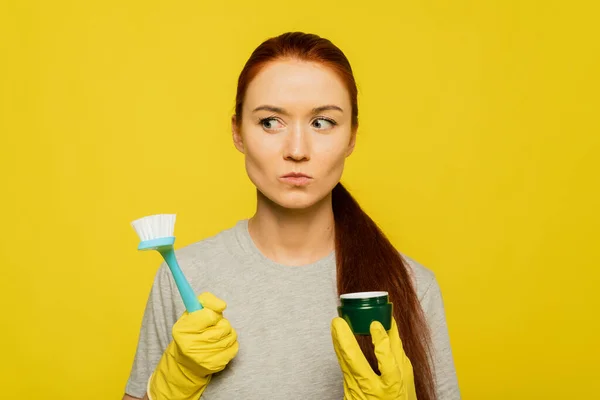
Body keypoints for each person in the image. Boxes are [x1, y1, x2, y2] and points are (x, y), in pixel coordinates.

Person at [123, 31, 460, 400]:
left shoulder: (411, 287)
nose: (297, 150)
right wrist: (169, 388)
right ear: (237, 132)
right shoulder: (183, 276)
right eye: (270, 122)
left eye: (322, 123)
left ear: (351, 137)